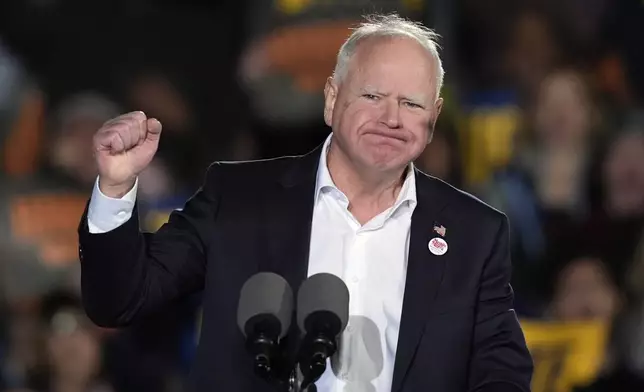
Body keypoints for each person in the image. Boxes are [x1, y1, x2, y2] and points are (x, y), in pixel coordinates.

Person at [77, 13, 533, 392]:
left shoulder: (474, 232)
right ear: (332, 99)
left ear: (433, 117)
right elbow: (120, 300)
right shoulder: (238, 199)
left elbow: (502, 370)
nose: (391, 118)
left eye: (411, 104)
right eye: (372, 96)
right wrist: (115, 189)